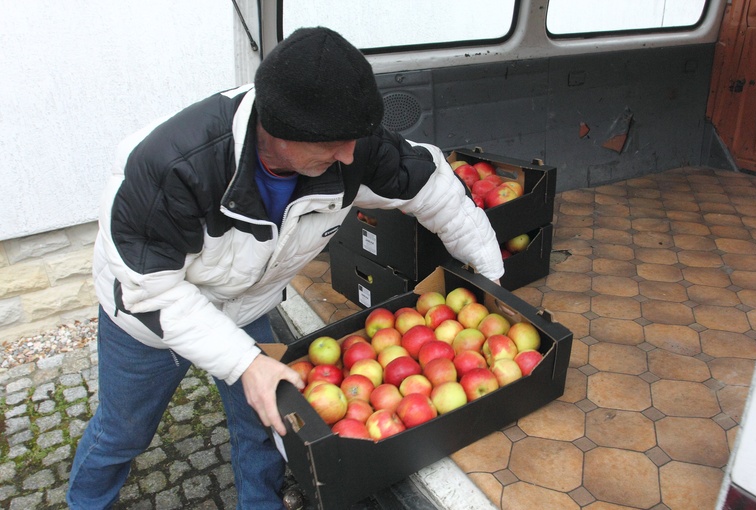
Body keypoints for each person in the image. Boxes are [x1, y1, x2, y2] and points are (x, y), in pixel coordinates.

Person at [67, 26, 505, 509]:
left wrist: (491, 274)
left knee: (264, 423)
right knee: (122, 434)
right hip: (147, 317)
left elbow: (433, 186)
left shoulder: (351, 147)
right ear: (278, 130)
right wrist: (244, 362)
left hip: (244, 306)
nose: (347, 155)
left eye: (354, 141)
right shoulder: (174, 165)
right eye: (334, 144)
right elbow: (148, 288)